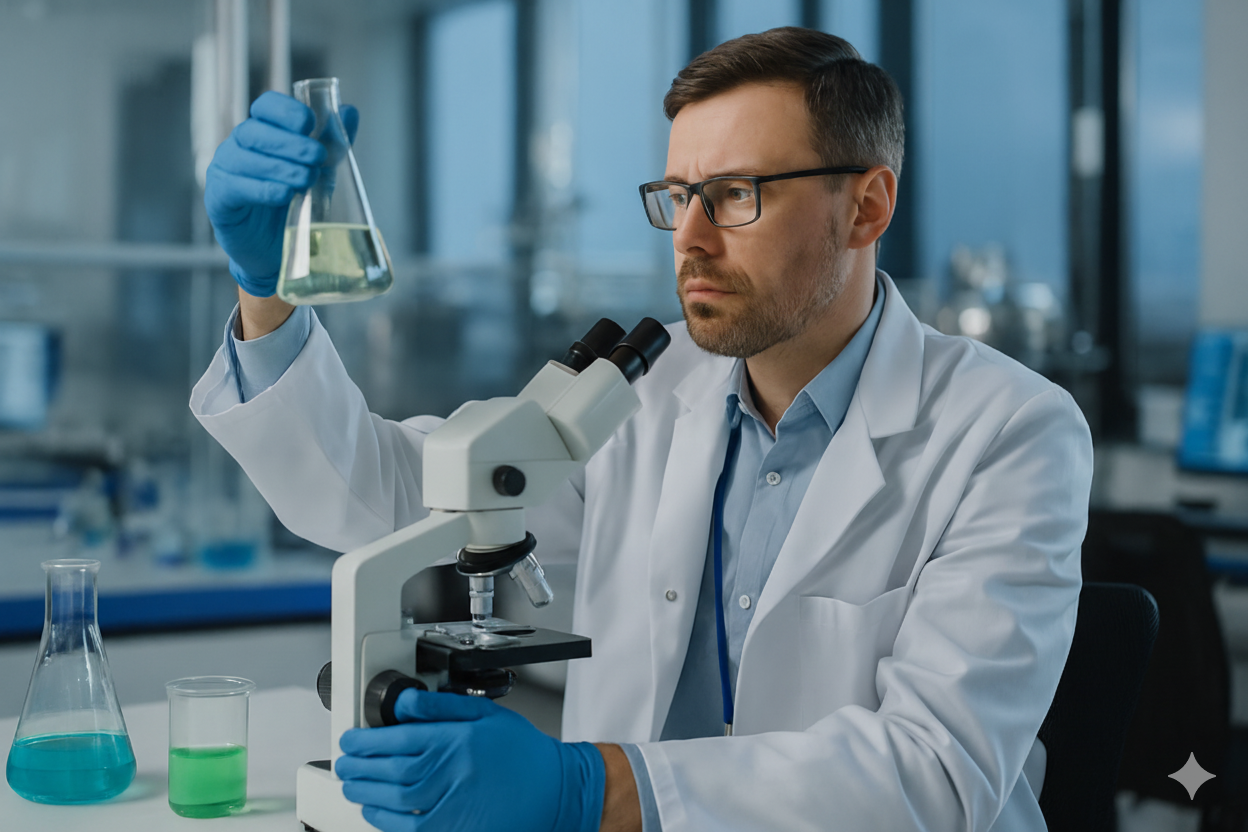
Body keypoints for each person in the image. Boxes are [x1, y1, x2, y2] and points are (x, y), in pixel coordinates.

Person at [194, 27, 1092, 832]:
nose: (689, 239)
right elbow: (392, 495)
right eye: (677, 195)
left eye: (735, 195)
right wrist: (265, 291)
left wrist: (585, 790)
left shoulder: (1010, 432)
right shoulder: (646, 395)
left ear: (867, 207)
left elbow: (934, 779)